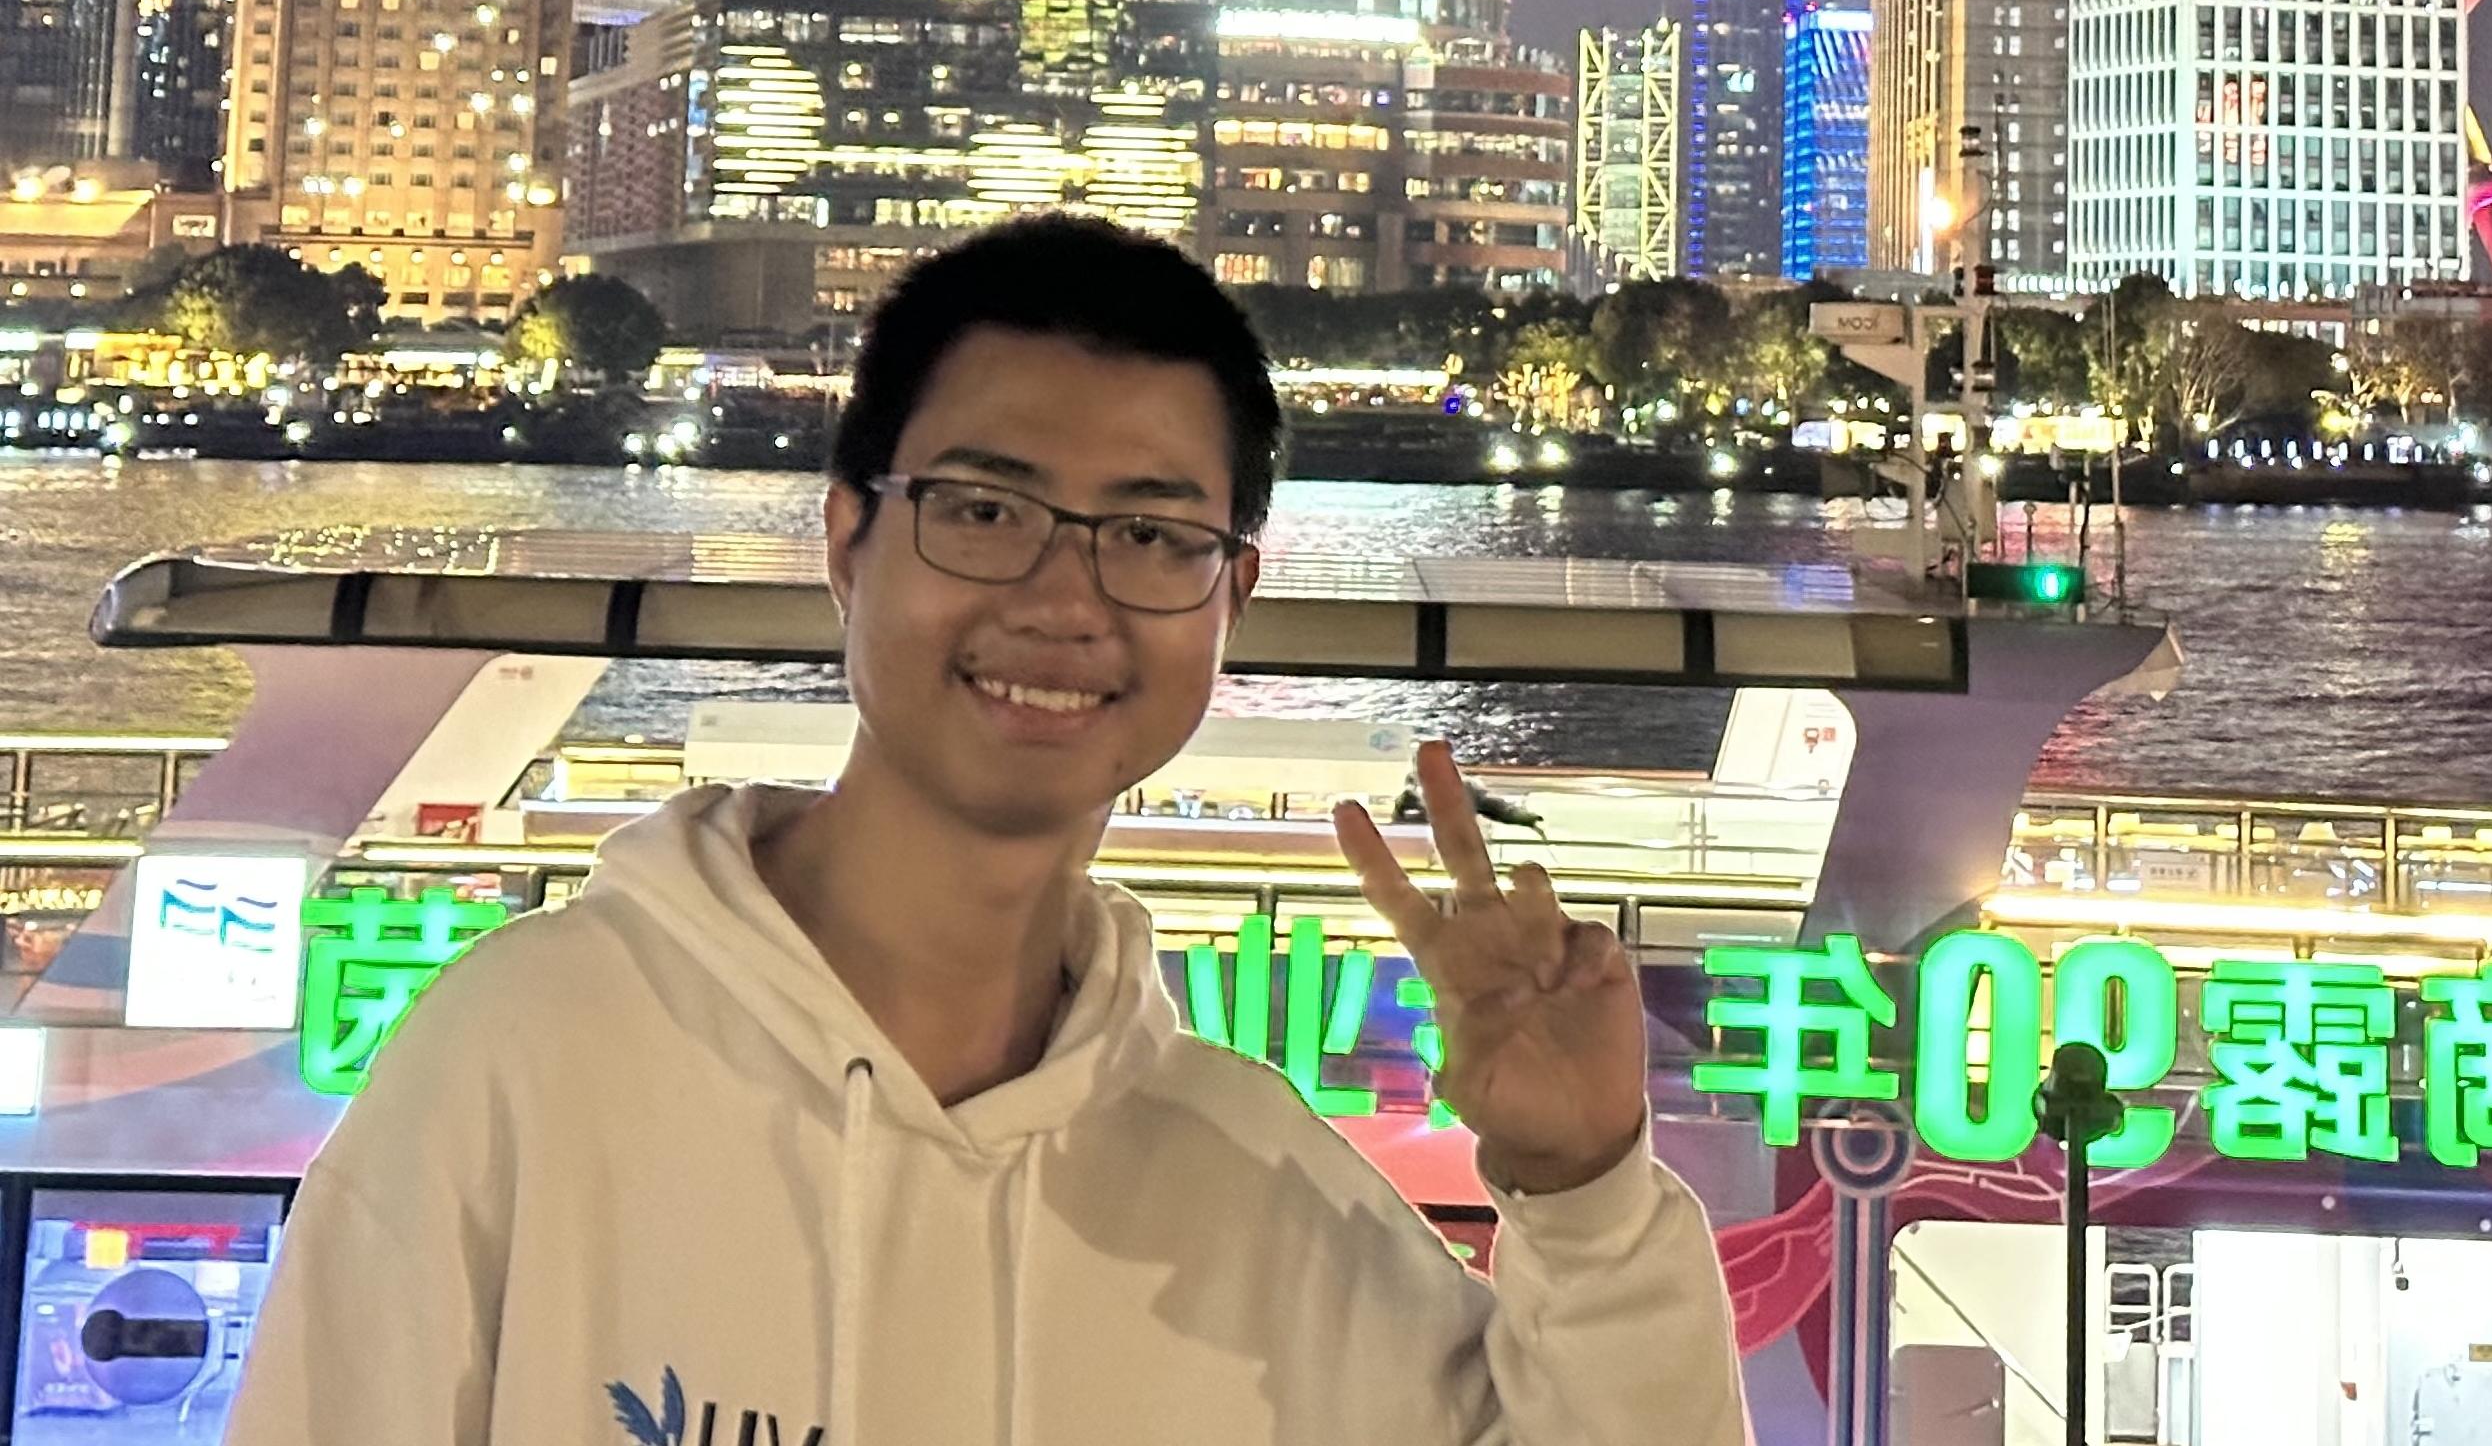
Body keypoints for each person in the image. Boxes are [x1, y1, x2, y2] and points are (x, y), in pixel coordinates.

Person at [230, 215, 1749, 1444]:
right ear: (846, 538)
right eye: (982, 508)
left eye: (1152, 536)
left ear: (1233, 600)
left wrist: (1589, 1189)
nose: (1064, 597)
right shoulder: (527, 1056)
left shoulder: (1256, 1193)